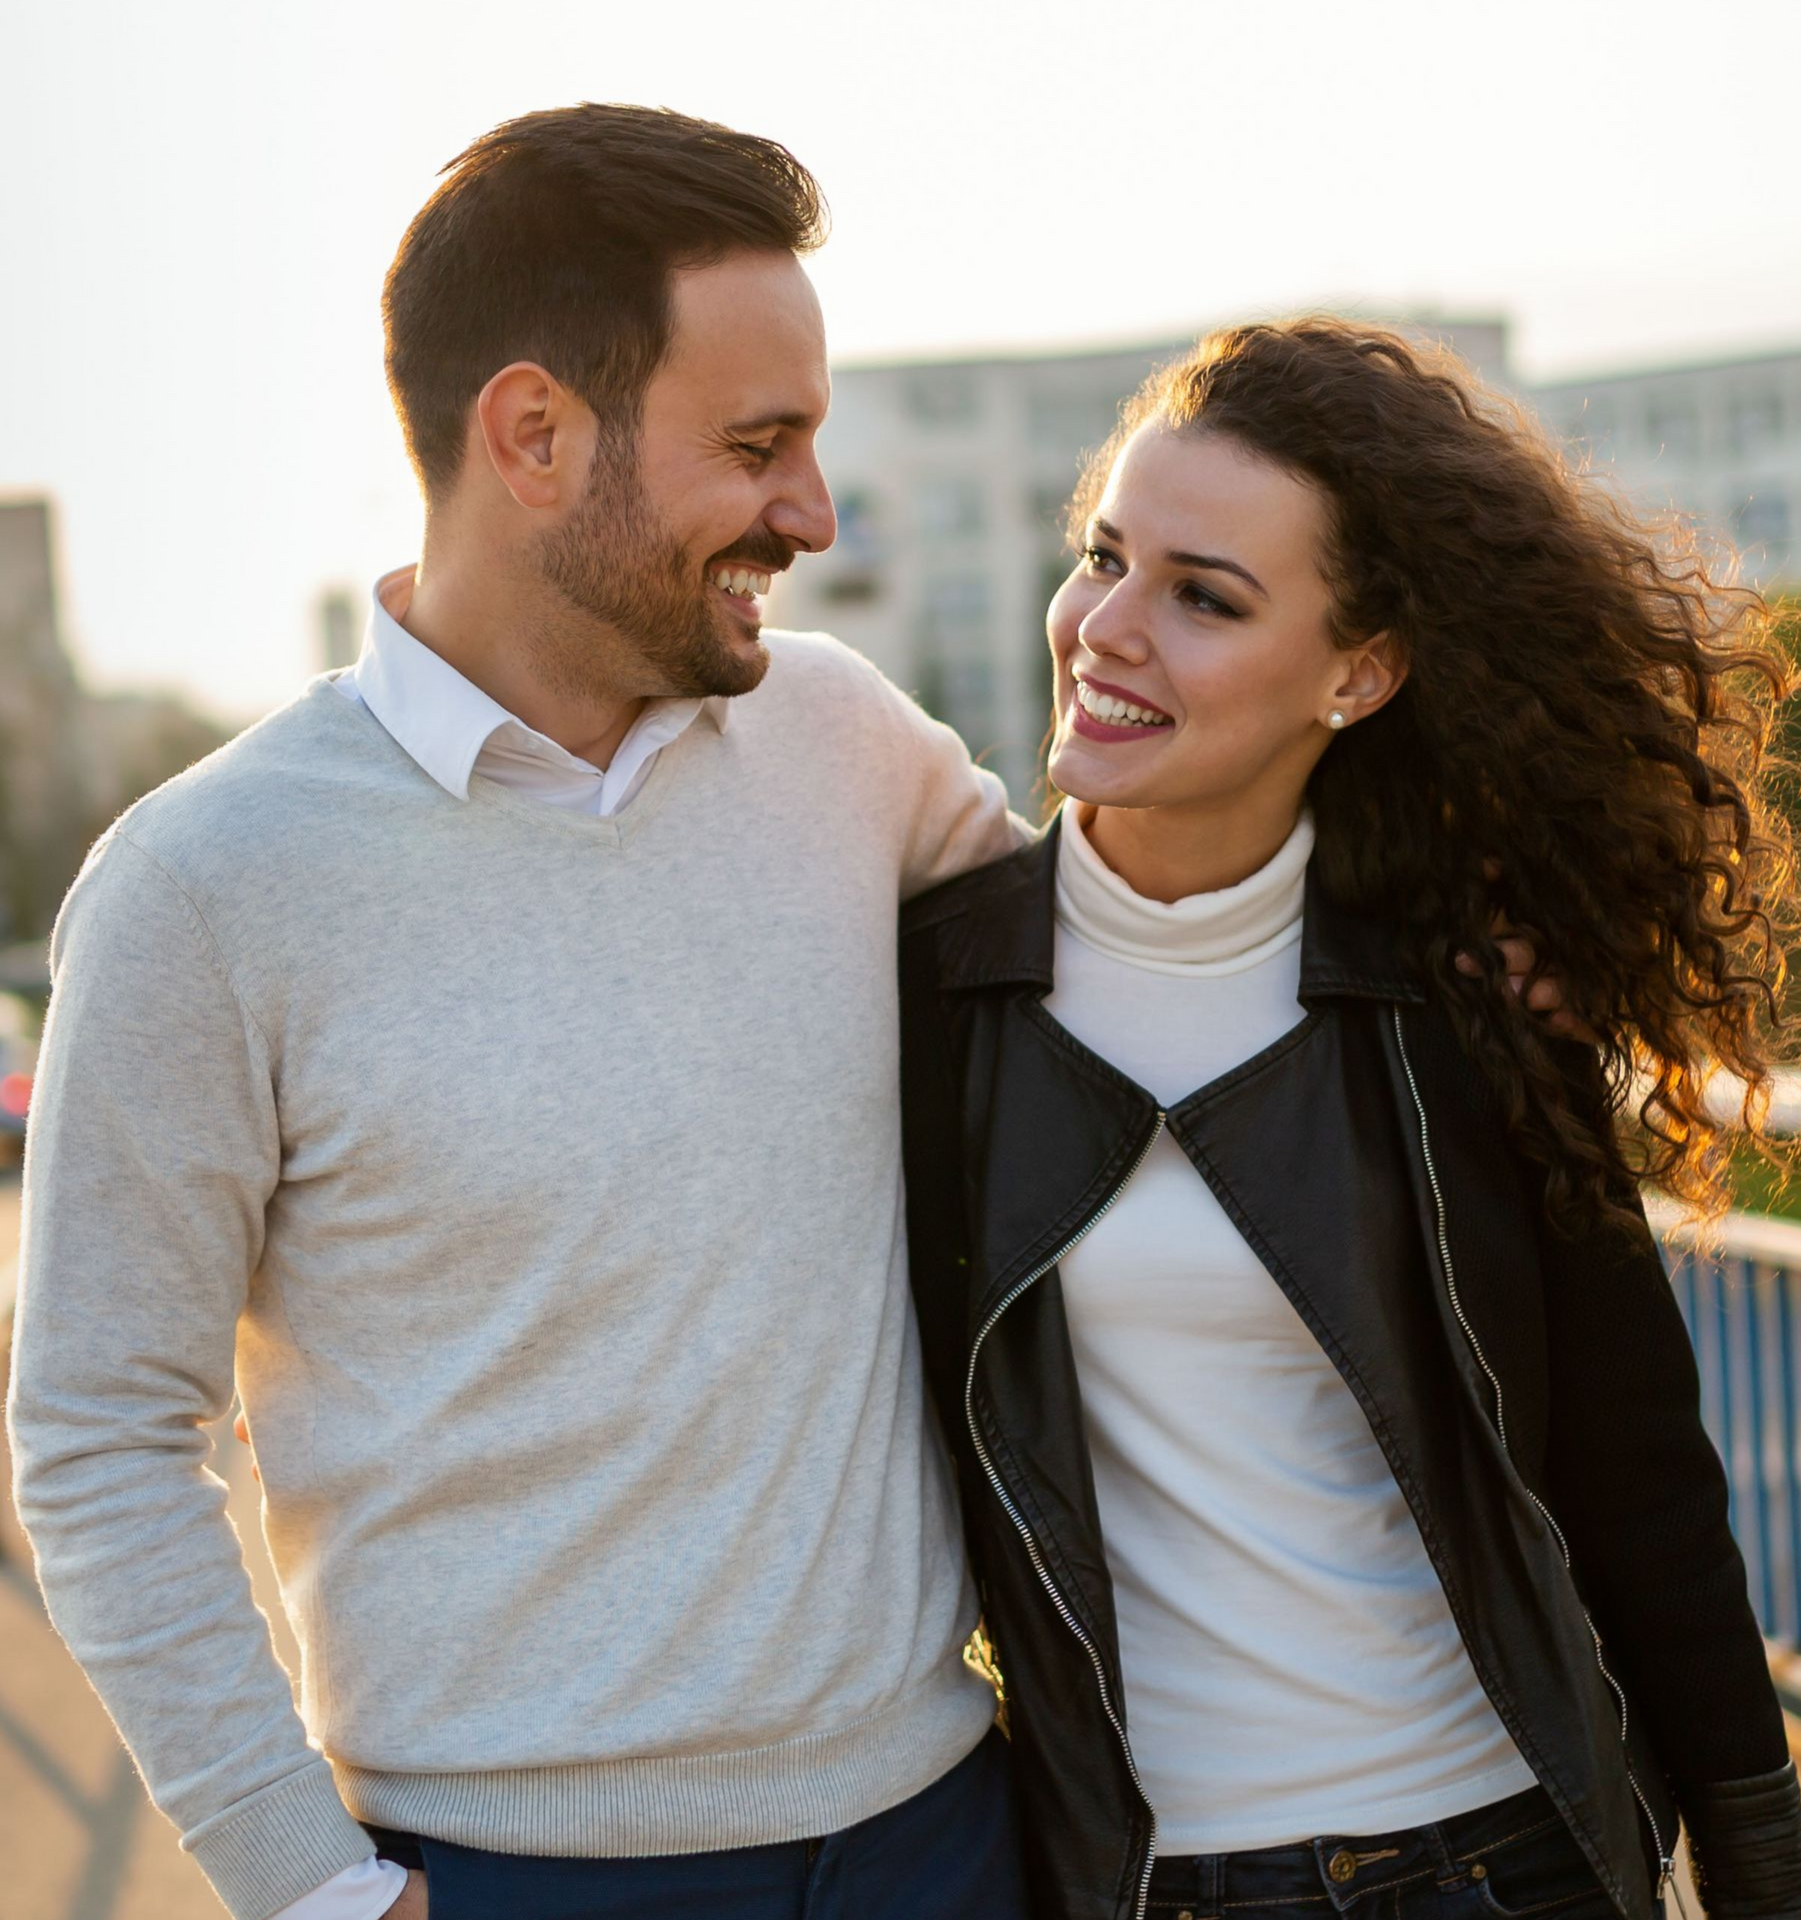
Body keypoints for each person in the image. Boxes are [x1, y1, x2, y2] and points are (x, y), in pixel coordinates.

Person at [7, 105, 1034, 1920]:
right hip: (505, 1883)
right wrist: (306, 1887)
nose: (811, 510)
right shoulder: (199, 888)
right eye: (758, 444)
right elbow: (98, 1434)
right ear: (535, 434)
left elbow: (1136, 960)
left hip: (943, 1837)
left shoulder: (849, 740)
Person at [898, 321, 1801, 1920]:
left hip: (1493, 1861)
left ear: (1360, 671)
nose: (1106, 629)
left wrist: (1763, 1864)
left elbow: (1640, 1479)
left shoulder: (1462, 1004)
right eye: (1103, 558)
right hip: (1131, 1884)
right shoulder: (935, 994)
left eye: (1205, 596)